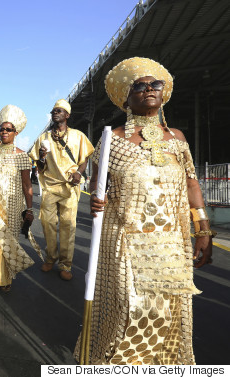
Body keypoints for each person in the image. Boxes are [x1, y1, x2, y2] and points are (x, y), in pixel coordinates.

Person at [77, 57, 213, 365]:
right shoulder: (112, 139)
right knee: (132, 306)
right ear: (126, 97)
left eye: (155, 84)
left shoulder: (177, 139)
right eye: (139, 85)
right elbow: (99, 185)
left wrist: (202, 229)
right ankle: (120, 363)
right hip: (126, 239)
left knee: (166, 308)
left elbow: (192, 184)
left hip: (171, 243)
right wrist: (96, 201)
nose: (149, 89)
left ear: (164, 92)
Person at [29, 99, 94, 280]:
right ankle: (51, 258)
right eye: (53, 111)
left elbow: (83, 159)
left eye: (59, 110)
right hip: (50, 186)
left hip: (69, 187)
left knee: (68, 225)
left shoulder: (78, 136)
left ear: (67, 115)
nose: (55, 113)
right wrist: (41, 158)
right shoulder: (43, 139)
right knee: (47, 224)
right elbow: (40, 168)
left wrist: (79, 173)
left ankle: (65, 264)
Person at [0, 105, 34, 291]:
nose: (4, 132)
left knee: (5, 241)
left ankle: (5, 277)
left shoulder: (22, 156)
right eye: (2, 129)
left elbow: (27, 185)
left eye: (8, 129)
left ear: (16, 132)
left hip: (11, 206)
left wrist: (29, 209)